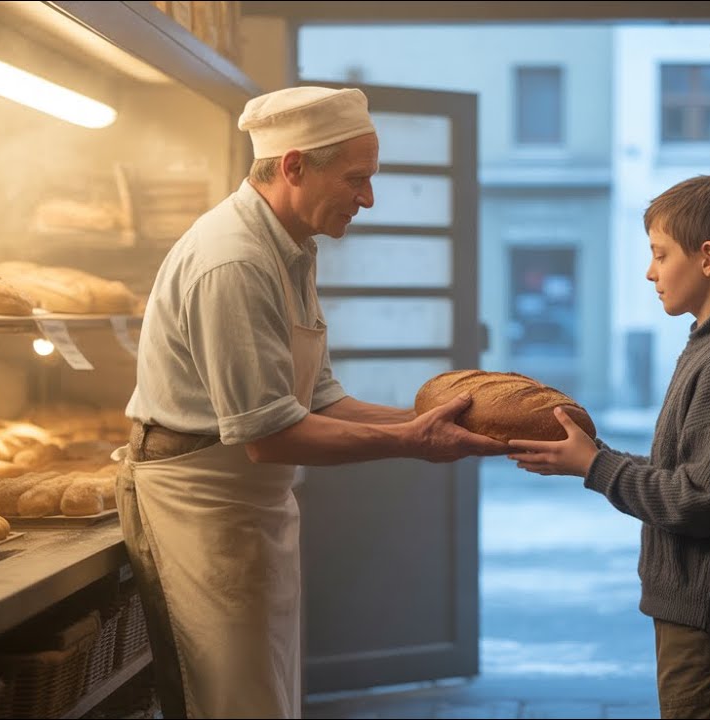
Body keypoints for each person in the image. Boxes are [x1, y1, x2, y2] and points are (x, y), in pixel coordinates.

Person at [116, 86, 507, 719]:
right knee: (232, 704)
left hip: (251, 507)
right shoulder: (234, 261)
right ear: (294, 166)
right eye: (357, 180)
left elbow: (319, 401)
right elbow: (269, 435)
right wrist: (411, 442)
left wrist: (441, 417)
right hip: (199, 506)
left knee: (268, 698)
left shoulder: (291, 248)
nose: (370, 199)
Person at [507, 175, 710, 719]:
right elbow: (688, 474)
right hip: (709, 612)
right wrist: (594, 454)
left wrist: (596, 466)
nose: (650, 271)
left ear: (708, 257)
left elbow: (698, 499)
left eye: (660, 254)